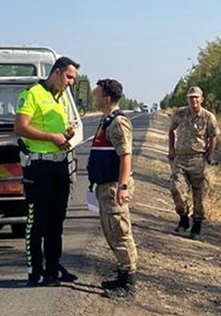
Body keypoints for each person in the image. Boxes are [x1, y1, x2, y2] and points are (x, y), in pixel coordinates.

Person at [14, 57, 80, 285]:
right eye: (69, 77)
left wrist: (65, 134)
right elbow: (20, 127)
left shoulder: (60, 97)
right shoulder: (32, 94)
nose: (71, 82)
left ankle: (53, 266)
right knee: (38, 220)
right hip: (39, 166)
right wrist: (51, 137)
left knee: (57, 219)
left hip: (59, 163)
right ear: (57, 72)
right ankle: (35, 271)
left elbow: (56, 129)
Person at [87, 78, 138, 299]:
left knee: (120, 233)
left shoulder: (118, 122)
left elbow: (125, 156)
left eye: (97, 92)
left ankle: (129, 284)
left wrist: (123, 186)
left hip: (113, 186)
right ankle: (121, 275)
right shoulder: (106, 120)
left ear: (107, 97)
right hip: (104, 186)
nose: (94, 95)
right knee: (111, 231)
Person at [167, 86, 219, 240]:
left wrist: (209, 156)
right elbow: (171, 130)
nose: (193, 100)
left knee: (199, 195)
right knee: (176, 189)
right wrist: (171, 149)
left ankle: (196, 226)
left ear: (201, 99)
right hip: (180, 159)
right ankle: (183, 218)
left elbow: (213, 136)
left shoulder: (208, 117)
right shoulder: (180, 114)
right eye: (191, 97)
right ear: (187, 99)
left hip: (198, 159)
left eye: (196, 97)